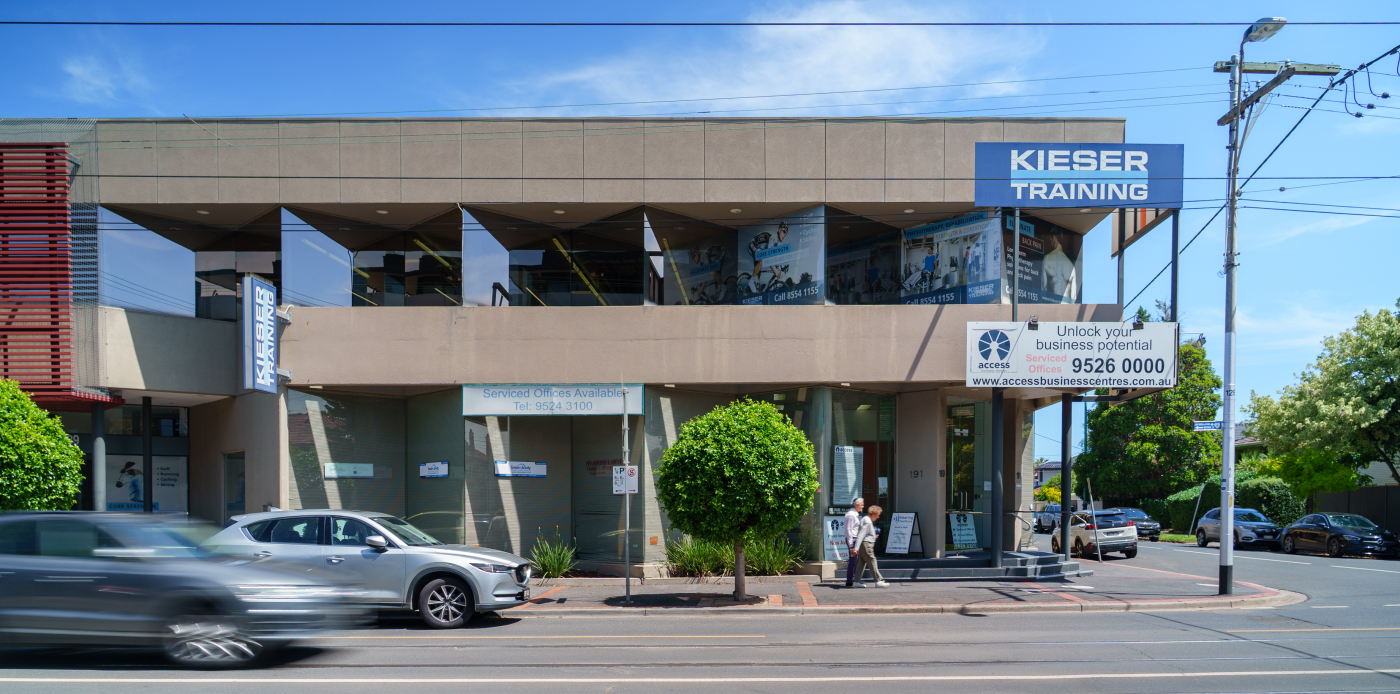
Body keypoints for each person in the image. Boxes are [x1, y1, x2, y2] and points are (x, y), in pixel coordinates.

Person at [855, 505, 889, 587]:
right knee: (872, 561)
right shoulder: (868, 522)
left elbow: (863, 534)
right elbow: (861, 535)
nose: (878, 517)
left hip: (864, 544)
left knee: (861, 563)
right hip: (867, 545)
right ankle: (878, 581)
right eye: (878, 515)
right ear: (873, 514)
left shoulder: (865, 519)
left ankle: (856, 581)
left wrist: (873, 536)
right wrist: (856, 548)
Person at [843, 498, 864, 587]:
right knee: (853, 560)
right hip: (853, 540)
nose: (863, 506)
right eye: (862, 504)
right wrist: (851, 545)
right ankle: (850, 580)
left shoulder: (854, 514)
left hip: (855, 539)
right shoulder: (851, 515)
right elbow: (848, 531)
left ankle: (853, 580)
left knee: (855, 560)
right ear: (857, 505)